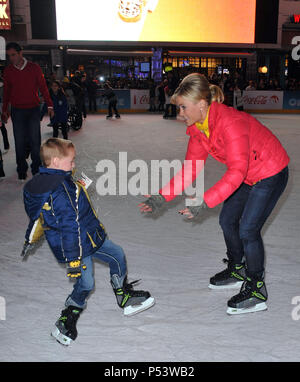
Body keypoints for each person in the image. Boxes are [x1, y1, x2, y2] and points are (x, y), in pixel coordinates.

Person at [139, 73, 289, 316]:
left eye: (183, 108)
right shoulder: (199, 129)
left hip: (270, 171)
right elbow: (190, 170)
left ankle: (257, 289)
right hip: (249, 174)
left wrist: (204, 202)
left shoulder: (230, 123)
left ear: (201, 104)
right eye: (178, 108)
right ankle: (237, 267)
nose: (180, 114)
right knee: (227, 219)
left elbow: (237, 171)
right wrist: (160, 197)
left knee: (248, 230)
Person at [22, 138, 154, 345]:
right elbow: (65, 224)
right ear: (55, 161)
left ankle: (123, 296)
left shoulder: (58, 182)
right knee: (86, 282)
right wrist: (74, 259)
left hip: (90, 236)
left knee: (117, 255)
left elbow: (41, 217)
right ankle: (67, 318)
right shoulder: (59, 190)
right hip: (76, 246)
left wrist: (31, 237)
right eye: (71, 161)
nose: (74, 164)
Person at [1, 42, 54, 181]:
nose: (11, 58)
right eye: (9, 56)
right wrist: (4, 110)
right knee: (19, 142)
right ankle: (21, 170)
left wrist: (50, 105)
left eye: (13, 55)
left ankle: (36, 168)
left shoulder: (34, 68)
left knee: (35, 141)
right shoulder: (8, 71)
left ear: (20, 53)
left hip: (33, 110)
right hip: (17, 111)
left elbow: (43, 87)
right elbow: (6, 92)